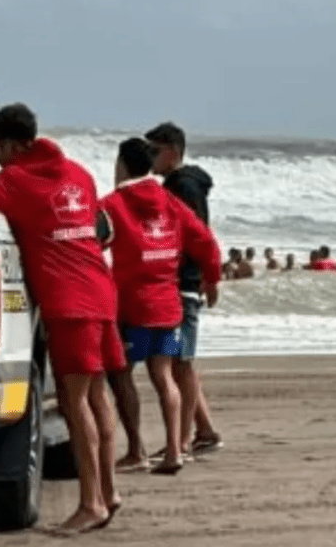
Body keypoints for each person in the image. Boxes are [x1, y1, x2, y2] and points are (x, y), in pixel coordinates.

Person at [0, 103, 122, 534]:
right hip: (102, 292)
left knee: (74, 403)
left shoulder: (15, 182)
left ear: (14, 145)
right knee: (98, 396)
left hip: (69, 302)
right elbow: (96, 223)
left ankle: (91, 503)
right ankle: (109, 491)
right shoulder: (79, 174)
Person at [101, 138, 222, 475]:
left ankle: (136, 450)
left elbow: (89, 241)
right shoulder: (169, 201)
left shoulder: (112, 204)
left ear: (122, 165)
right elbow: (205, 240)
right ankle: (174, 451)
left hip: (135, 308)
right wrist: (211, 278)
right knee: (163, 375)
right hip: (169, 307)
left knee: (121, 372)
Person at [145, 122, 224, 456]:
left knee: (180, 362)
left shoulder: (184, 187)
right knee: (180, 361)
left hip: (183, 283)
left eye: (154, 150)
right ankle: (204, 431)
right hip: (181, 281)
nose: (149, 158)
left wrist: (208, 275)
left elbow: (197, 235)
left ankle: (181, 440)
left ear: (171, 152)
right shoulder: (178, 185)